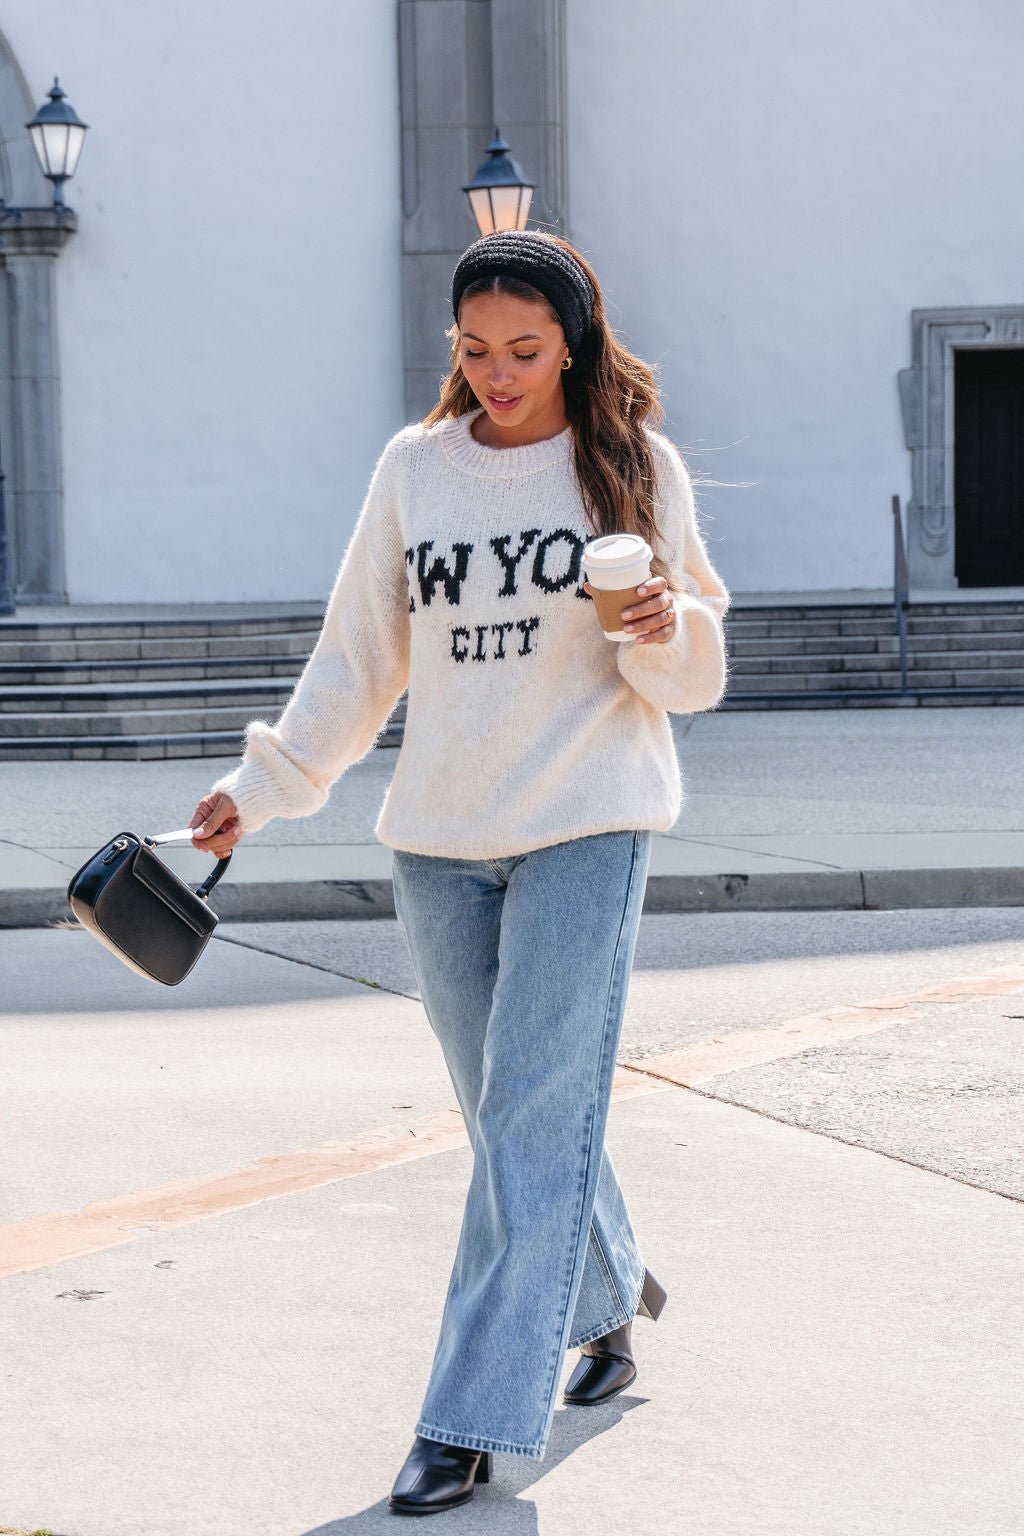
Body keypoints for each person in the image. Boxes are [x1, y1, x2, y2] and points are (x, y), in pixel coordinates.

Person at [188, 229, 730, 1515]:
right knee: (512, 1120)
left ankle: (471, 1420)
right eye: (475, 350)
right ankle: (605, 1290)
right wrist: (258, 791)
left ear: (576, 342)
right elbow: (356, 659)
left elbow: (694, 672)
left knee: (532, 1122)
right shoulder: (414, 472)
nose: (499, 374)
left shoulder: (629, 466)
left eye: (526, 352)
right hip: (439, 841)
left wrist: (662, 626)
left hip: (587, 822)